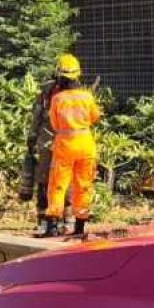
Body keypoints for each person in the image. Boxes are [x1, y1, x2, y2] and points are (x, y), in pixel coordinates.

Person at [42, 54, 102, 238]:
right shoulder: (87, 97)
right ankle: (79, 227)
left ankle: (52, 226)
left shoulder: (58, 99)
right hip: (85, 143)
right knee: (84, 185)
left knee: (58, 185)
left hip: (65, 145)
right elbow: (95, 117)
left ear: (60, 74)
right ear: (77, 74)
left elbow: (54, 123)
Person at [23, 71, 64, 236]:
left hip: (48, 144)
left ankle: (44, 221)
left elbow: (36, 120)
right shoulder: (68, 94)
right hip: (63, 144)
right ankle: (61, 221)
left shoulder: (45, 96)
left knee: (45, 182)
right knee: (62, 182)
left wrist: (31, 138)